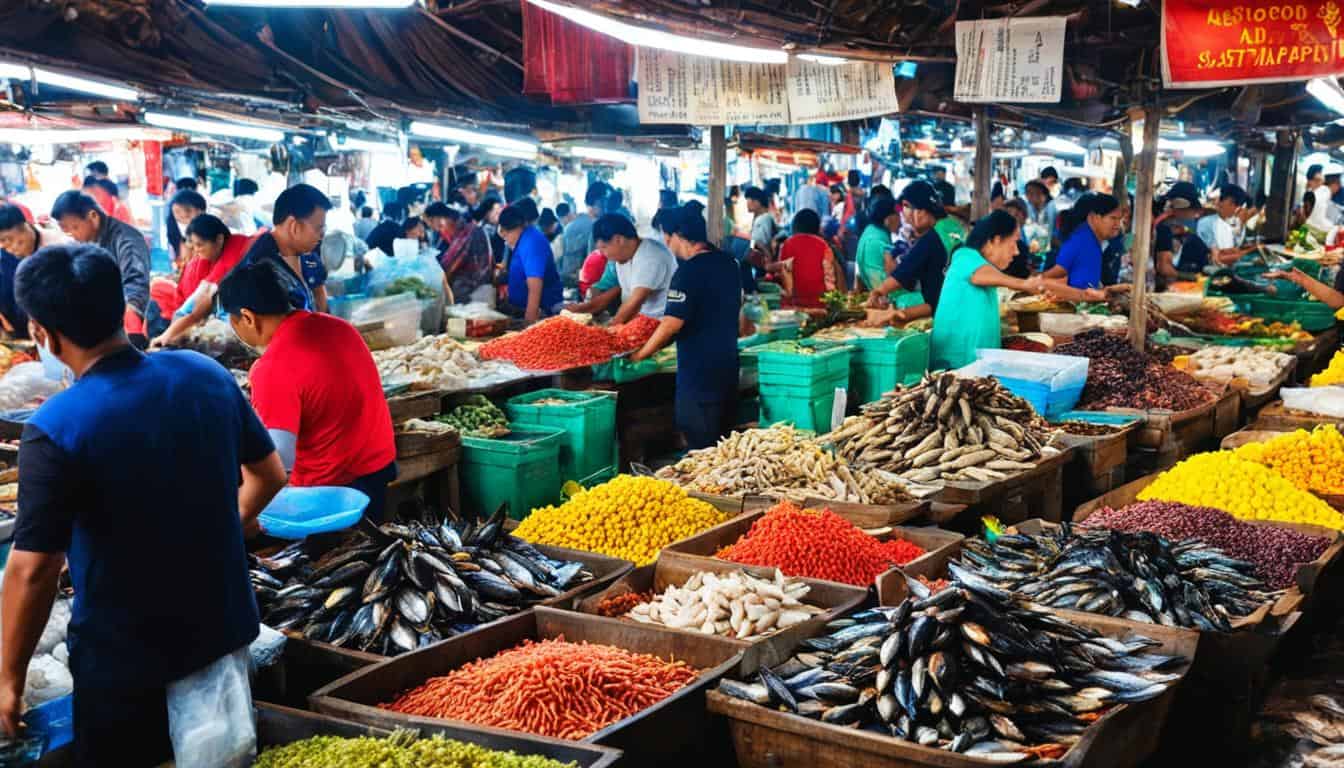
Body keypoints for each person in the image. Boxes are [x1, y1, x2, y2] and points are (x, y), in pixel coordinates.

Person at [0, 243, 286, 763]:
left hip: (127, 663)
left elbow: (34, 571)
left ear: (41, 332)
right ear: (120, 309)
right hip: (222, 634)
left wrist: (8, 680)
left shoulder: (56, 426)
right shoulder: (205, 374)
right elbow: (269, 475)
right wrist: (218, 526)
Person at [220, 262, 397, 521]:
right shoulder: (339, 327)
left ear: (247, 317)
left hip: (332, 496)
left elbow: (278, 466)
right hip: (379, 470)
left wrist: (242, 516)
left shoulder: (273, 368)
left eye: (232, 321)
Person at [631, 205, 740, 449]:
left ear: (677, 236)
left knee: (701, 447)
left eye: (667, 239)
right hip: (728, 371)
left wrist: (641, 354)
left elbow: (671, 324)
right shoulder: (729, 263)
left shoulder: (688, 272)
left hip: (699, 377)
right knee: (725, 447)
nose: (668, 245)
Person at [931, 211, 1047, 369]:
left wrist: (1083, 295)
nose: (1016, 251)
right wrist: (1023, 284)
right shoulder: (965, 255)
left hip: (977, 366)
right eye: (1014, 243)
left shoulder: (983, 266)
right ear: (996, 240)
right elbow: (978, 275)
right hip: (956, 367)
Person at [50, 190, 150, 346]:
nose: (73, 236)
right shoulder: (86, 241)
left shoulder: (127, 240)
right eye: (67, 232)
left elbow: (136, 286)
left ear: (93, 217)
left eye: (75, 228)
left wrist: (129, 330)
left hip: (128, 326)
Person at [150, 214, 256, 348]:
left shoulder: (234, 252)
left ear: (219, 239)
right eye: (193, 246)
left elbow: (196, 308)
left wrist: (167, 336)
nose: (197, 250)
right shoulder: (214, 255)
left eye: (200, 245)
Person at [240, 183, 330, 313]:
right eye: (319, 228)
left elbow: (319, 293)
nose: (322, 235)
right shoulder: (260, 268)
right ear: (294, 226)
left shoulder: (307, 256)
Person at [867, 182, 948, 322]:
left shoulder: (931, 240)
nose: (907, 222)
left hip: (950, 320)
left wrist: (879, 291)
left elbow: (902, 275)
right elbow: (934, 302)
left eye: (908, 215)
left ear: (920, 212)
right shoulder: (949, 226)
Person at [573, 214, 676, 322]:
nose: (603, 254)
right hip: (639, 322)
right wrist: (585, 308)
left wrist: (609, 331)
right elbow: (617, 289)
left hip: (658, 325)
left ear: (619, 240)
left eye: (604, 248)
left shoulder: (651, 257)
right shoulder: (623, 257)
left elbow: (635, 302)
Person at [0, 205, 63, 339]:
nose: (10, 249)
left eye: (9, 240)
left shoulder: (58, 247)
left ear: (24, 227)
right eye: (2, 243)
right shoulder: (8, 255)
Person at [1043, 192, 1125, 292]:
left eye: (1119, 219)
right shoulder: (1082, 240)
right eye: (1113, 218)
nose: (1118, 225)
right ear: (1093, 217)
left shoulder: (1093, 240)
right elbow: (1055, 275)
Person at [501, 203, 562, 323]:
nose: (503, 235)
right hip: (521, 309)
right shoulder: (523, 239)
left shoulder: (531, 242)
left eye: (506, 231)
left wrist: (529, 324)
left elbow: (535, 286)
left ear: (519, 226)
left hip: (542, 311)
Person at [426, 201, 494, 305]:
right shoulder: (462, 229)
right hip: (475, 287)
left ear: (443, 218)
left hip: (475, 290)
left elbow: (447, 266)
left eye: (432, 221)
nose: (436, 229)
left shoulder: (467, 232)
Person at [778, 209, 845, 307]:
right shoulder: (824, 245)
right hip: (822, 304)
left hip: (794, 305)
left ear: (794, 227)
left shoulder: (787, 244)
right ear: (817, 229)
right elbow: (830, 279)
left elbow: (782, 275)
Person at [1196, 184, 1257, 266]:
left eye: (1222, 199)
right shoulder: (1206, 223)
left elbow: (1234, 248)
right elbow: (1217, 257)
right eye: (1220, 199)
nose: (1218, 202)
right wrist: (1249, 252)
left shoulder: (1236, 224)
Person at [559, 182, 606, 289]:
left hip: (568, 279)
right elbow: (595, 260)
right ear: (599, 203)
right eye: (604, 202)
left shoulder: (572, 224)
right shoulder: (595, 226)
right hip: (582, 281)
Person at [856, 195, 900, 292]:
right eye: (898, 215)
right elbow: (894, 276)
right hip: (886, 296)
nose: (901, 220)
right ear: (889, 219)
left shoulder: (871, 231)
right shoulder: (877, 240)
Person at [167, 189, 207, 268]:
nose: (183, 214)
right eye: (177, 211)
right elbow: (177, 263)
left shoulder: (209, 234)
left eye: (188, 210)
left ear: (201, 211)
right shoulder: (176, 235)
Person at [999, 199, 1036, 279]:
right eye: (1007, 214)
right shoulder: (1000, 240)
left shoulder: (1026, 236)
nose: (1011, 218)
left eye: (1016, 215)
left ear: (1025, 217)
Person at [745, 186, 778, 271]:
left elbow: (757, 242)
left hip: (763, 265)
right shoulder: (764, 217)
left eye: (749, 200)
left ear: (757, 202)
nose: (747, 204)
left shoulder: (763, 219)